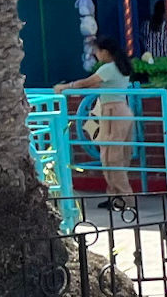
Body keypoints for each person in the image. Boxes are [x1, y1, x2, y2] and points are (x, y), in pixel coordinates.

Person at [55, 38, 138, 209]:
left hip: (113, 112)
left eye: (97, 51)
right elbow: (97, 85)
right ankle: (115, 196)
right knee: (115, 156)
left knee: (111, 157)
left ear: (105, 52)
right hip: (120, 110)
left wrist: (66, 87)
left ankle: (124, 198)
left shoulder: (108, 68)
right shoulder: (119, 67)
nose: (96, 54)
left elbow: (88, 82)